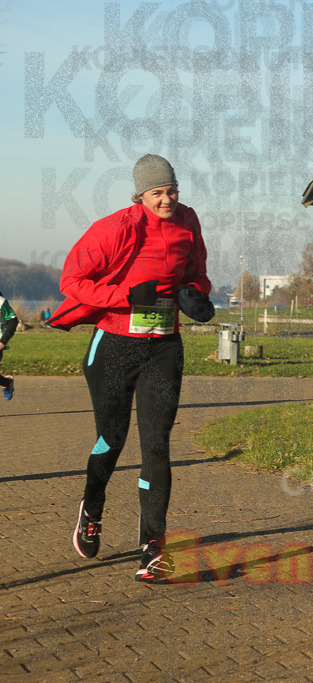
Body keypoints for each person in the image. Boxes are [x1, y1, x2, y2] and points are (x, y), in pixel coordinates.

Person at [49, 154, 212, 582]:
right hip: (115, 346)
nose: (167, 199)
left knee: (156, 445)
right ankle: (92, 506)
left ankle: (152, 548)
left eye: (172, 190)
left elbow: (198, 273)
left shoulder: (188, 221)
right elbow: (72, 282)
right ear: (140, 195)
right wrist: (124, 296)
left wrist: (195, 294)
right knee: (112, 438)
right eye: (157, 192)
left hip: (164, 347)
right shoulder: (116, 227)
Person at [0, 291, 19, 400]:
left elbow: (13, 322)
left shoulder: (1, 302)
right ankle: (6, 382)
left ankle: (7, 383)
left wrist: (3, 341)